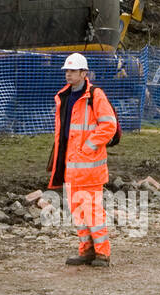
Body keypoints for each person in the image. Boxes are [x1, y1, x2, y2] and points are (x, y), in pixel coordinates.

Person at [47, 53, 118, 268]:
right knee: (78, 212)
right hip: (72, 166)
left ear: (83, 73)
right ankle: (86, 250)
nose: (68, 74)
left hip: (89, 168)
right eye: (67, 71)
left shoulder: (95, 96)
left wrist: (88, 146)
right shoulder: (65, 96)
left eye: (72, 71)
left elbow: (109, 125)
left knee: (92, 211)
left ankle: (102, 254)